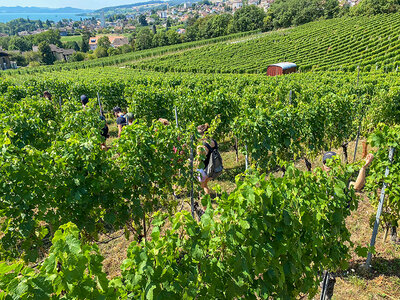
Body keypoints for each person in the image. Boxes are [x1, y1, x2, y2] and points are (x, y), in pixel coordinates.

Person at [196, 123, 223, 196]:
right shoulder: (213, 142)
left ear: (201, 134)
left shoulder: (201, 146)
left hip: (204, 169)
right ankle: (207, 204)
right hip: (212, 168)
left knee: (202, 188)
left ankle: (205, 205)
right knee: (205, 185)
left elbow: (199, 161)